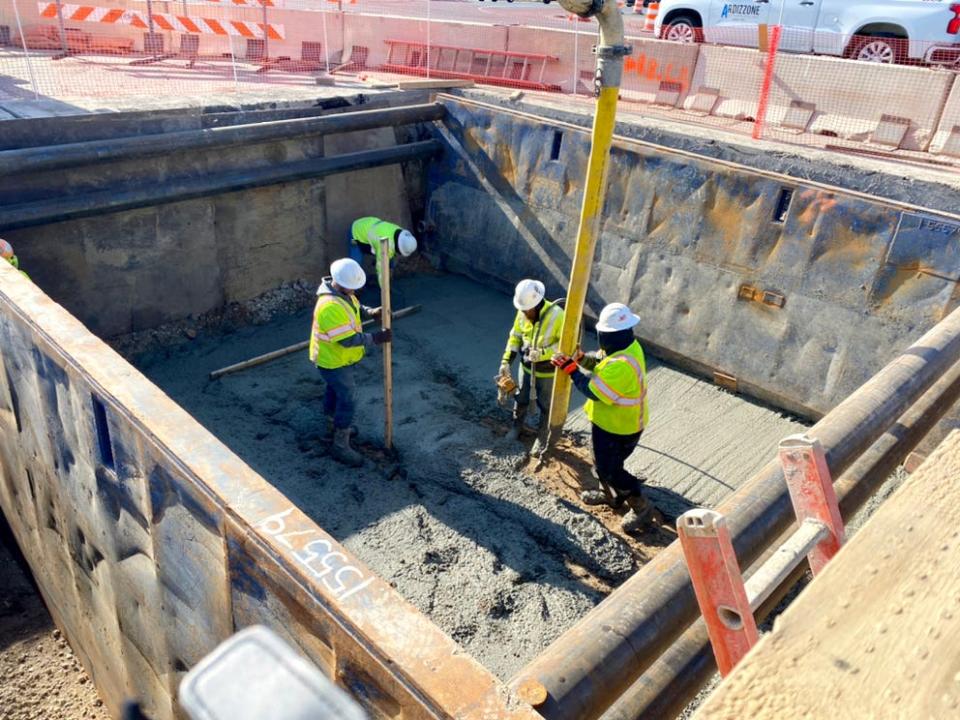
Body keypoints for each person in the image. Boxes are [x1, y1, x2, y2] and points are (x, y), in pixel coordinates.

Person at [552, 302, 654, 533]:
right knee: (602, 464)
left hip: (619, 428)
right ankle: (612, 497)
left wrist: (571, 370)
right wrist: (581, 359)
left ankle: (641, 507)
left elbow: (592, 391)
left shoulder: (622, 366)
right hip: (611, 424)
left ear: (609, 335)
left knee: (610, 469)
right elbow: (600, 362)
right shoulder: (625, 347)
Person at [310, 258, 392, 467]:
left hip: (340, 359)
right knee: (348, 398)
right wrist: (375, 338)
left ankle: (332, 422)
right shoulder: (329, 306)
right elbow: (348, 340)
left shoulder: (343, 293)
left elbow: (355, 307)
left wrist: (370, 311)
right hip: (333, 361)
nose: (356, 291)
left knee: (334, 390)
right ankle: (340, 444)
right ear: (339, 282)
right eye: (352, 287)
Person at [498, 279, 564, 440]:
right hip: (526, 369)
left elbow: (565, 346)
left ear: (537, 303)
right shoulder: (523, 313)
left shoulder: (558, 316)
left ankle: (542, 437)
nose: (524, 313)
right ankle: (516, 427)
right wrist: (506, 361)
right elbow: (515, 337)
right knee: (521, 398)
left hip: (548, 373)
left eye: (527, 310)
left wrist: (543, 353)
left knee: (546, 406)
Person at [348, 217, 418, 288]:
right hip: (356, 233)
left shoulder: (400, 233)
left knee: (389, 259)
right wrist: (385, 288)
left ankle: (389, 274)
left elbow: (389, 255)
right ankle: (352, 287)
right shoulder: (385, 246)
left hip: (369, 224)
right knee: (355, 263)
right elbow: (381, 269)